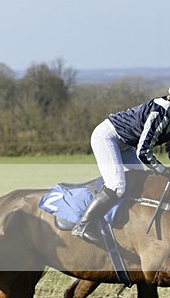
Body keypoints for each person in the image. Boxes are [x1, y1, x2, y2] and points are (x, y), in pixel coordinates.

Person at [73, 87, 170, 244]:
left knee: (140, 182)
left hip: (125, 144)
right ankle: (83, 225)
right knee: (117, 185)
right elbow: (143, 152)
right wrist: (163, 171)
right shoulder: (160, 113)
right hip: (107, 137)